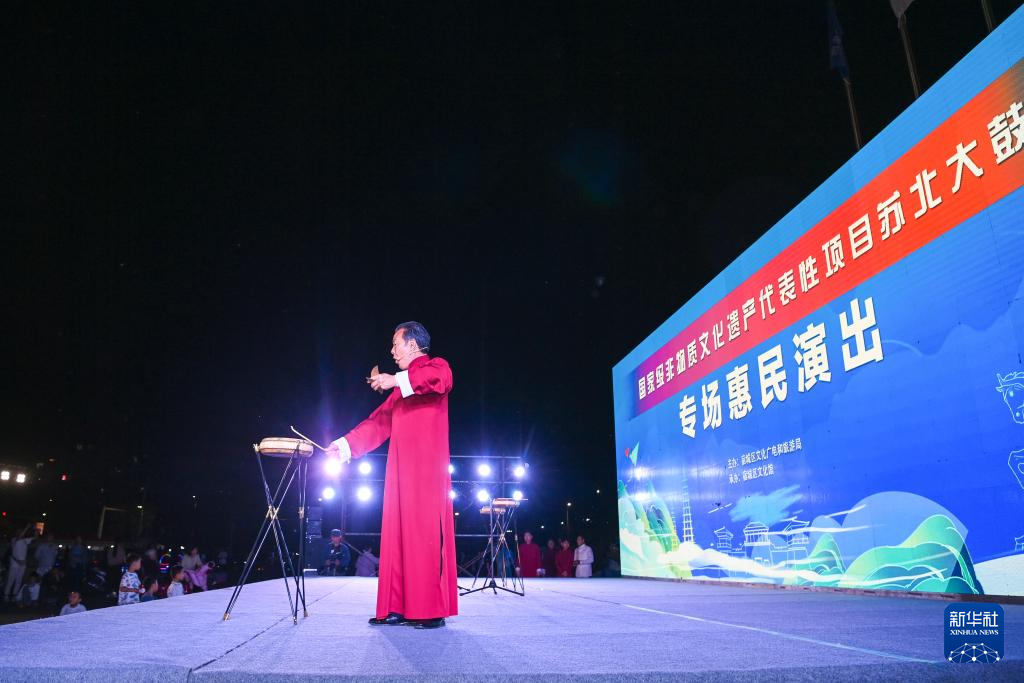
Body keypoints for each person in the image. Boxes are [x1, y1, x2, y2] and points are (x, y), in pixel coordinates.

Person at [326, 321, 456, 629]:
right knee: (397, 537)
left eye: (396, 344)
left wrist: (394, 379)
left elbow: (438, 380)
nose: (392, 351)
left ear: (413, 345)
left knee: (424, 537)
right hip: (400, 475)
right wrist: (344, 445)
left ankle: (429, 610)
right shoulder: (400, 391)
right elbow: (378, 422)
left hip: (427, 474)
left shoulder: (436, 367)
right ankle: (398, 606)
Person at [4, 524, 35, 602]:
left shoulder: (25, 540)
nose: (21, 532)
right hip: (14, 563)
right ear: (16, 533)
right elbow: (20, 537)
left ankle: (14, 596)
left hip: (23, 564)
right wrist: (27, 527)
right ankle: (6, 595)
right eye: (19, 531)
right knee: (11, 579)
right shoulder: (14, 539)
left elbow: (35, 537)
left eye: (21, 531)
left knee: (19, 580)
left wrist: (35, 530)